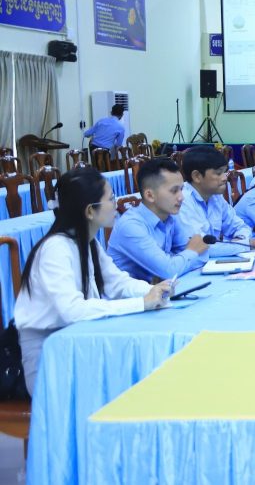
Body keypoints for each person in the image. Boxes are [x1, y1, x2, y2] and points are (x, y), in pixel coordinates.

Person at [14, 168, 171, 394]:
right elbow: (72, 311)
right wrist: (141, 303)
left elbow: (118, 284)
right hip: (50, 357)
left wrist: (156, 290)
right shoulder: (56, 249)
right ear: (90, 211)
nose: (116, 205)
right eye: (111, 199)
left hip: (80, 342)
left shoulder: (87, 242)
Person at [108, 157, 210, 282]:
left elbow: (201, 251)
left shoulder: (170, 215)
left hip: (159, 289)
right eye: (174, 191)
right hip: (131, 293)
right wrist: (191, 252)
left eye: (181, 189)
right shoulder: (131, 226)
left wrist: (183, 258)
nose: (181, 197)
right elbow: (169, 271)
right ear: (150, 195)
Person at [177, 146, 255, 256]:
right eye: (218, 173)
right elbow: (201, 248)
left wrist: (240, 240)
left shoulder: (215, 197)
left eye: (224, 172)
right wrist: (249, 244)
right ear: (197, 176)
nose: (225, 178)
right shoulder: (182, 202)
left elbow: (241, 226)